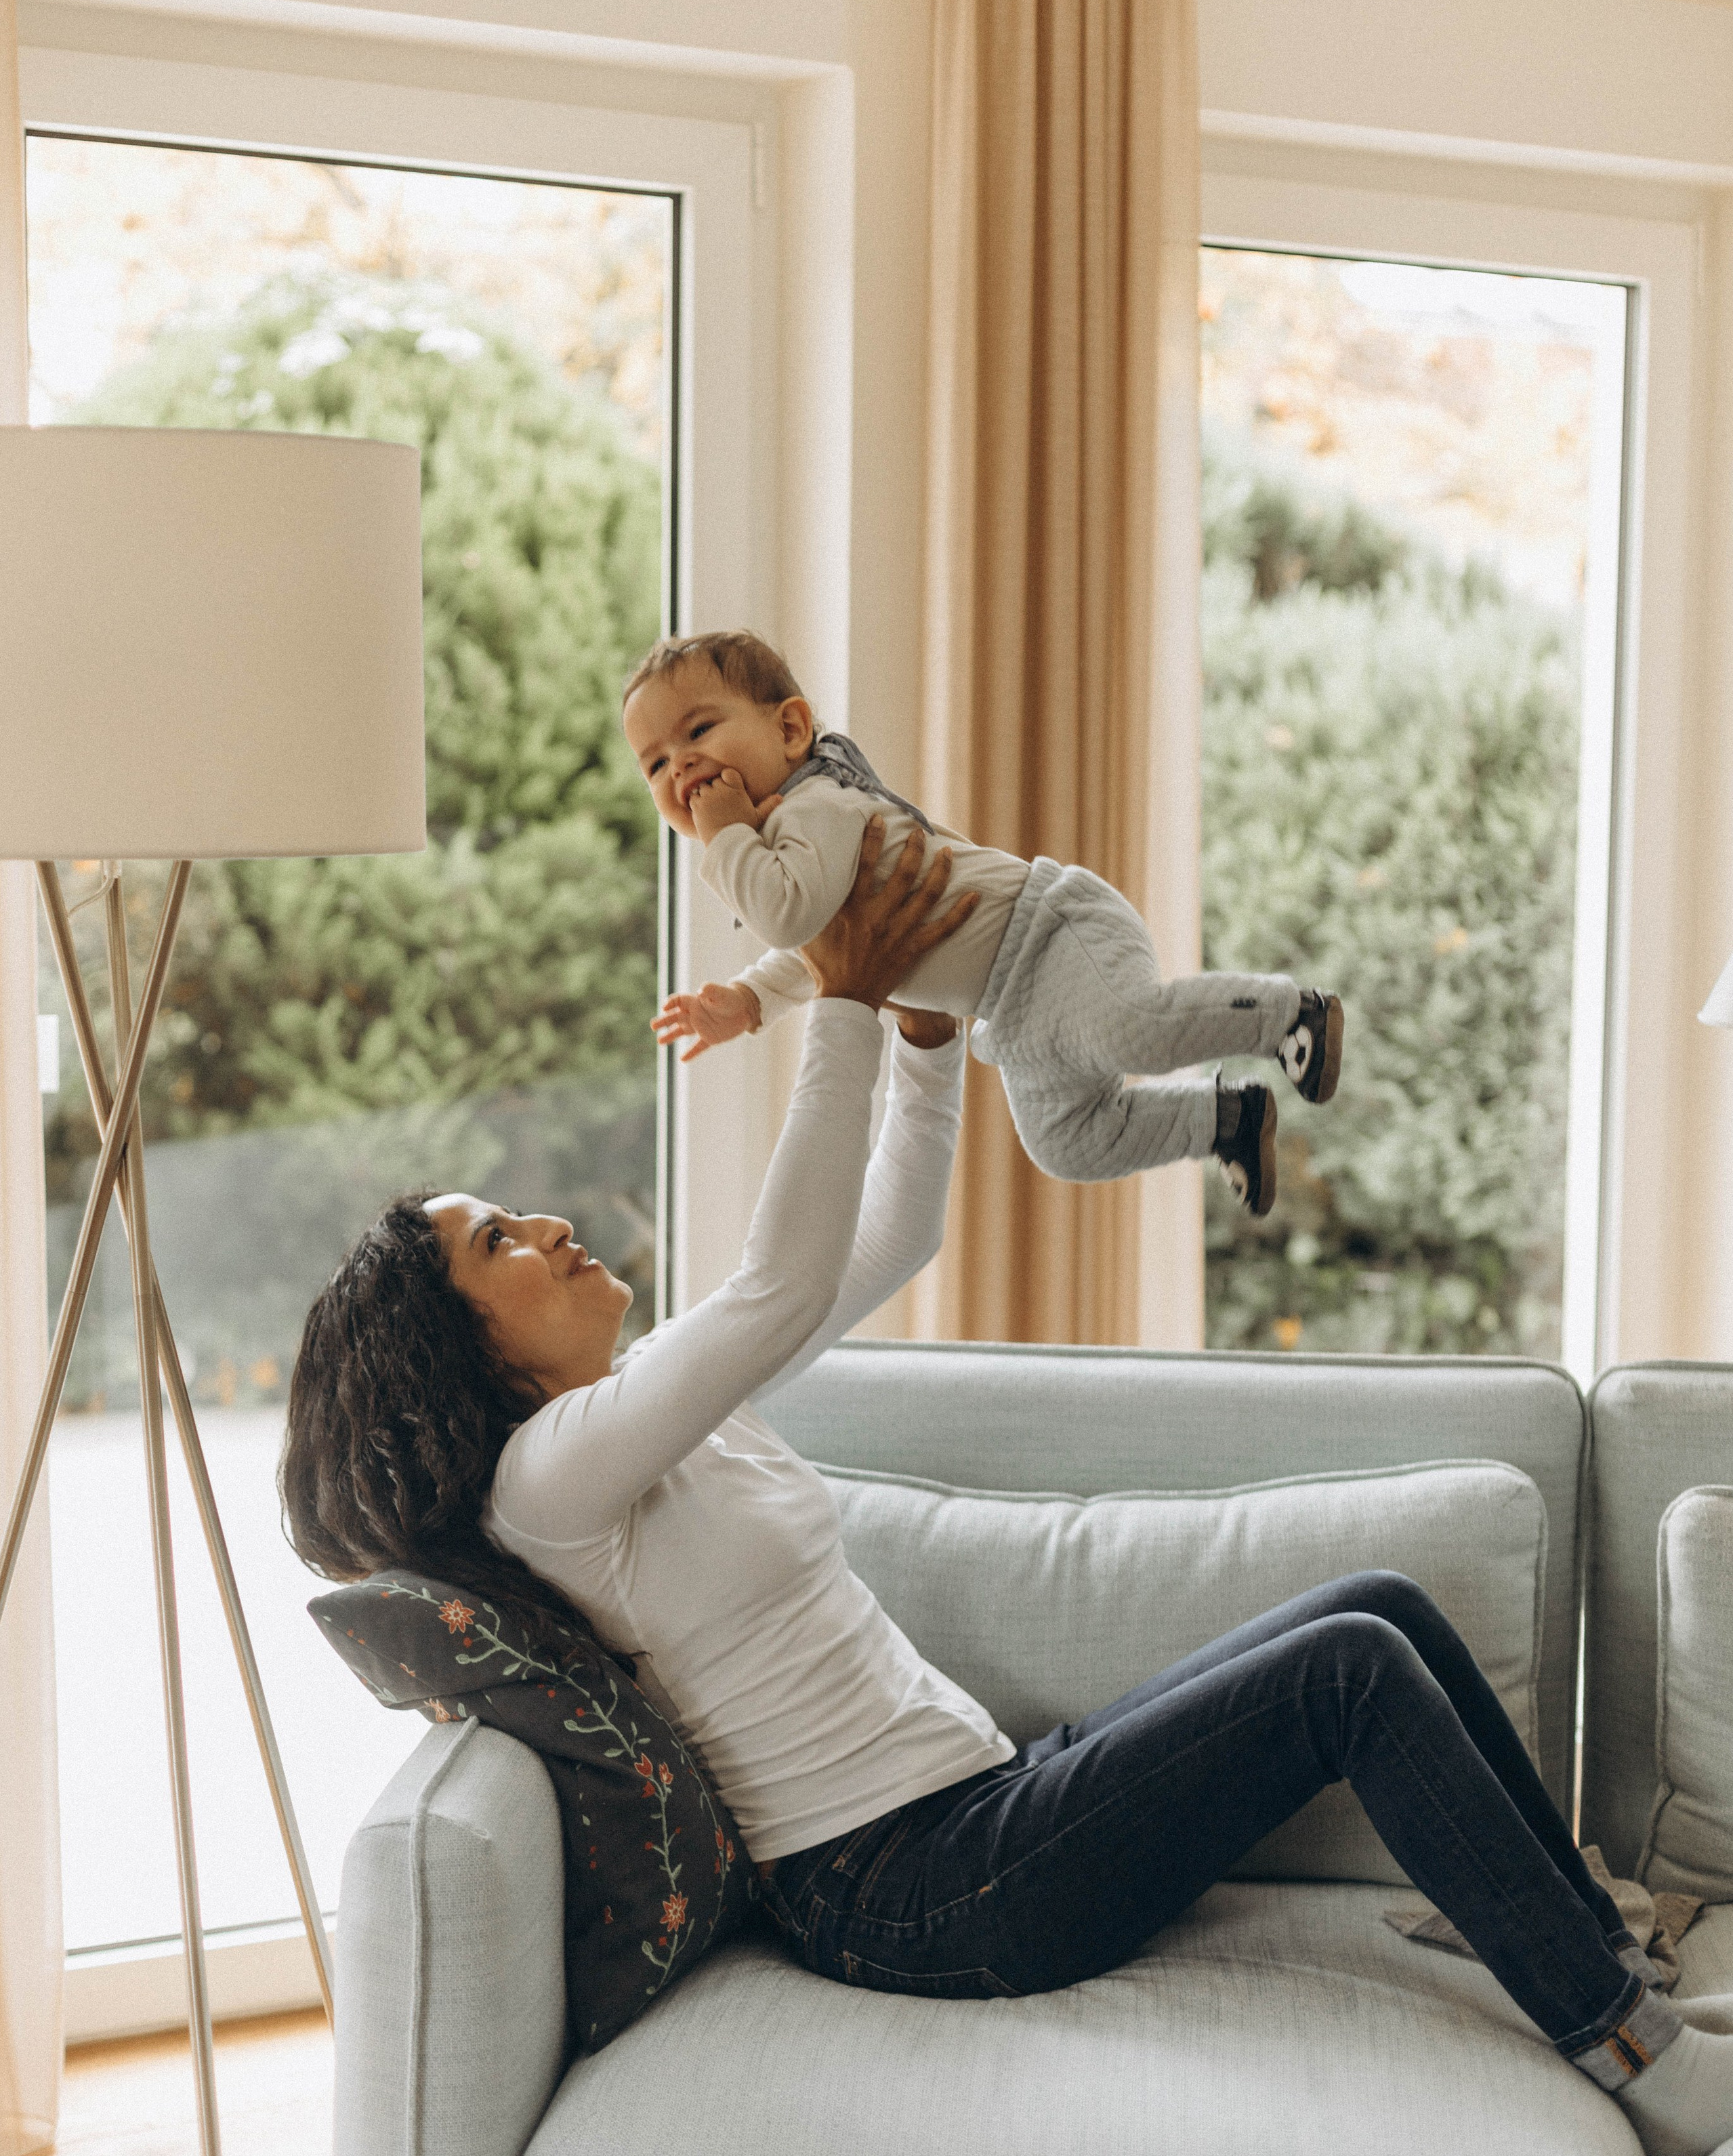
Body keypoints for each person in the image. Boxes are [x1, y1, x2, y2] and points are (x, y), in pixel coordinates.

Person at [284, 819, 1728, 2156]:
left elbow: (885, 1240)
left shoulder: (650, 1408)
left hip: (986, 1805)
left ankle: (1592, 1942)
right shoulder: (549, 1480)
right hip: (910, 1895)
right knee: (1347, 1671)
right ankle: (1631, 2051)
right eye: (498, 1246)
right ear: (455, 1350)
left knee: (1382, 1606)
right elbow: (780, 1278)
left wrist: (918, 1032)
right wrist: (836, 1000)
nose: (546, 1225)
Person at [623, 628, 1345, 1218]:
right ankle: (1226, 1120)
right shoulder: (782, 848)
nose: (680, 766)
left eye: (699, 730)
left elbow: (791, 915)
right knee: (1068, 1142)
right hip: (1010, 1004)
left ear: (789, 729)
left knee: (1131, 1028)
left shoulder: (816, 805)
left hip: (1049, 932)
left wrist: (724, 838)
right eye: (654, 764)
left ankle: (1288, 1015)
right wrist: (749, 1002)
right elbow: (819, 948)